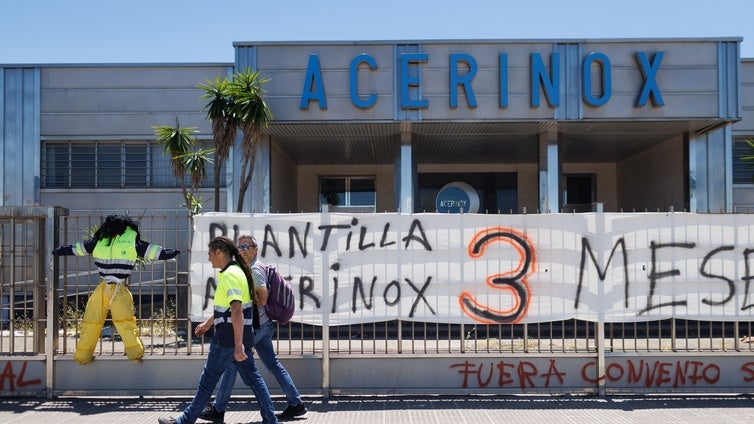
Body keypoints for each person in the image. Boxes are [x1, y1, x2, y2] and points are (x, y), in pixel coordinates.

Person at [158, 236, 277, 424]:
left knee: (207, 382)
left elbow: (237, 310)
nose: (209, 258)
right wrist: (208, 324)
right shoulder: (238, 271)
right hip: (240, 338)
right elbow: (231, 308)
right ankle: (271, 420)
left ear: (219, 252)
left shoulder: (229, 276)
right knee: (254, 379)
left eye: (210, 254)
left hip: (227, 340)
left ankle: (184, 421)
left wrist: (237, 346)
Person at [200, 235, 307, 422]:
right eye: (240, 246)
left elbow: (262, 299)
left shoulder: (255, 270)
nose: (242, 249)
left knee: (233, 363)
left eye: (247, 246)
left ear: (256, 249)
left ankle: (218, 409)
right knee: (272, 364)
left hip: (257, 326)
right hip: (264, 325)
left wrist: (241, 306)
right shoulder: (247, 269)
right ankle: (296, 403)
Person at [53, 214, 180, 365]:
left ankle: (83, 355)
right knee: (124, 322)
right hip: (119, 289)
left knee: (91, 321)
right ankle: (135, 353)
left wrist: (60, 250)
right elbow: (152, 251)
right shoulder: (131, 240)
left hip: (103, 288)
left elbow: (79, 248)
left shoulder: (99, 240)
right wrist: (171, 252)